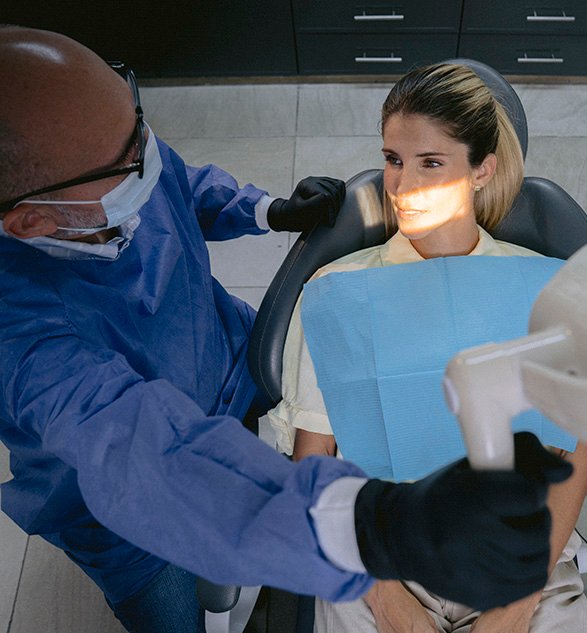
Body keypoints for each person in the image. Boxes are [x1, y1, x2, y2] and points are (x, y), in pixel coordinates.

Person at [0, 26, 573, 633]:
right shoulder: (25, 337)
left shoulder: (121, 151)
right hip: (131, 487)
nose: (149, 152)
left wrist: (264, 210)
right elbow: (157, 458)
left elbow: (177, 181)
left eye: (138, 124)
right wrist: (375, 538)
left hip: (225, 365)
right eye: (395, 160)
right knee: (171, 610)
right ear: (31, 220)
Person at [268, 63, 587, 633]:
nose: (402, 186)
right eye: (393, 159)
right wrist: (386, 599)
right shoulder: (338, 292)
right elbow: (314, 461)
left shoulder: (547, 289)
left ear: (483, 169)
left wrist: (520, 600)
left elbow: (577, 449)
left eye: (431, 162)